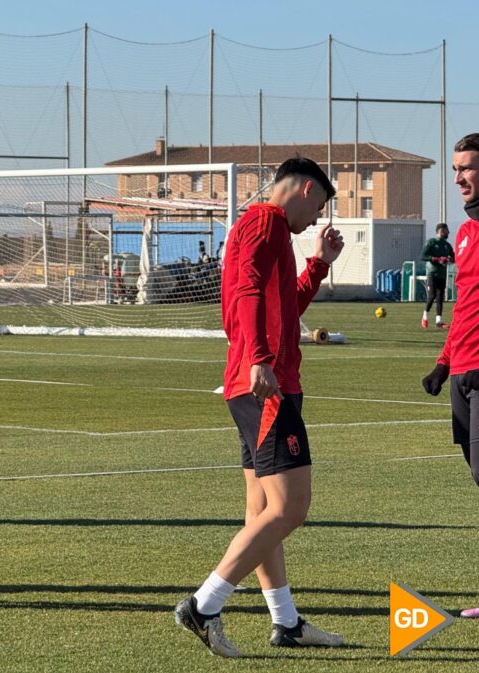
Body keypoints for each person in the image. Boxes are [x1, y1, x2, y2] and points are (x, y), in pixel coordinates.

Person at [174, 157, 345, 657]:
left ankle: (286, 622)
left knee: (263, 510)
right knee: (291, 507)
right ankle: (204, 605)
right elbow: (247, 288)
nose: (316, 221)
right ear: (307, 190)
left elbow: (282, 304)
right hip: (265, 386)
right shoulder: (266, 222)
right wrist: (261, 359)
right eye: (320, 209)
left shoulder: (263, 229)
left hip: (253, 382)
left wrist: (318, 264)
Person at [422, 133, 479, 618]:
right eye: (456, 168)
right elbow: (464, 308)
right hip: (460, 372)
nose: (458, 177)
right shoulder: (462, 234)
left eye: (468, 168)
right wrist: (444, 362)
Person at [420, 222, 454, 329]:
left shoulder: (447, 245)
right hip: (432, 272)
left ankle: (438, 321)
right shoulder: (431, 242)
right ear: (441, 231)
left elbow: (453, 257)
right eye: (446, 230)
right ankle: (425, 316)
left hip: (442, 274)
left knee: (440, 297)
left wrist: (447, 259)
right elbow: (423, 256)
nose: (448, 232)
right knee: (432, 295)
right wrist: (435, 259)